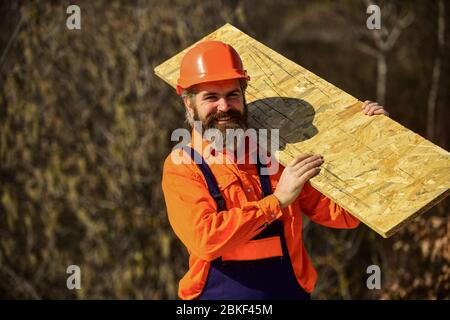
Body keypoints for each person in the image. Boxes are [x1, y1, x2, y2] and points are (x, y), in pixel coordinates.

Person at [162, 40, 389, 300]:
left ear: (243, 96)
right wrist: (277, 201)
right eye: (211, 97)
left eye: (232, 95)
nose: (224, 107)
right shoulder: (183, 167)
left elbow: (343, 214)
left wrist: (373, 140)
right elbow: (206, 238)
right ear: (190, 105)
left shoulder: (275, 154)